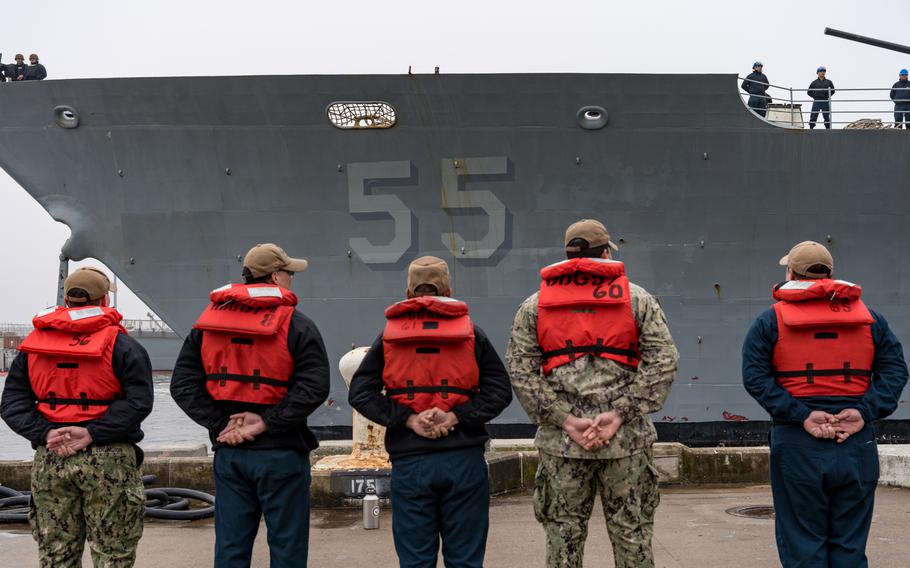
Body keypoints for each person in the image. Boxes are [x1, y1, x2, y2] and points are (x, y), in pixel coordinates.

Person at [506, 219, 678, 568]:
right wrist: (618, 414)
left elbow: (520, 370)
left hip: (562, 446)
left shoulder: (535, 305)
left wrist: (565, 420)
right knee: (632, 535)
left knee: (563, 536)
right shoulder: (637, 299)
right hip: (626, 443)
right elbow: (664, 361)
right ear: (604, 253)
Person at [742, 241, 908, 568]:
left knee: (802, 545)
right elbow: (896, 370)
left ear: (791, 274)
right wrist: (864, 411)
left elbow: (755, 377)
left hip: (798, 443)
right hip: (857, 444)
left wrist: (802, 415)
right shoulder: (871, 320)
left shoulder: (769, 322)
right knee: (849, 547)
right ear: (831, 275)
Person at [170, 243, 330, 568]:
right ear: (275, 276)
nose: (292, 279)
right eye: (289, 273)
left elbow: (182, 385)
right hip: (282, 454)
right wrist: (267, 422)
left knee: (231, 548)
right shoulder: (298, 325)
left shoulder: (206, 327)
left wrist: (220, 424)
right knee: (287, 549)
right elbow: (314, 388)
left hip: (231, 456)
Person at [348, 255, 513, 568]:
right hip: (464, 461)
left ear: (409, 293)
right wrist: (455, 416)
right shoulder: (472, 334)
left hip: (411, 464)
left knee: (416, 561)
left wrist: (408, 419)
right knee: (465, 560)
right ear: (449, 290)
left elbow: (360, 392)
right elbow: (500, 391)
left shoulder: (389, 337)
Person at [0, 267, 153, 567]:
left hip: (52, 458)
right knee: (113, 555)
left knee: (56, 555)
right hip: (109, 459)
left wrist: (45, 432)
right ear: (105, 299)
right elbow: (139, 402)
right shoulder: (123, 346)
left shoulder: (32, 348)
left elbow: (12, 403)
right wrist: (92, 432)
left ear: (67, 301)